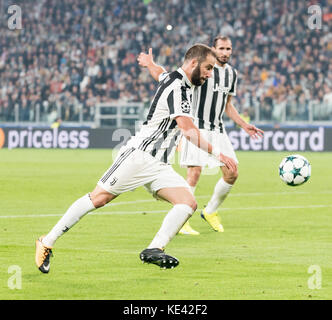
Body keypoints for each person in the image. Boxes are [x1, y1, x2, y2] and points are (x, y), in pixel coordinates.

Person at [35, 44, 238, 273]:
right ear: (193, 63)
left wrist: (150, 64)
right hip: (138, 156)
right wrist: (218, 153)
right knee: (99, 198)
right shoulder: (179, 87)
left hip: (159, 164)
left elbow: (158, 73)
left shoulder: (175, 79)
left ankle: (154, 249)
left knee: (188, 202)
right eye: (208, 68)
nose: (210, 74)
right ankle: (47, 241)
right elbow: (188, 130)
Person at [137, 36, 263, 235]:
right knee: (194, 172)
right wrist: (150, 64)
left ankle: (210, 211)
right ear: (213, 49)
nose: (225, 52)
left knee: (232, 172)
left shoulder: (232, 74)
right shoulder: (202, 69)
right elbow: (166, 77)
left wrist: (244, 125)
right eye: (221, 48)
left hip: (218, 129)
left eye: (228, 48)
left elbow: (228, 105)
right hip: (195, 126)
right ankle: (183, 218)